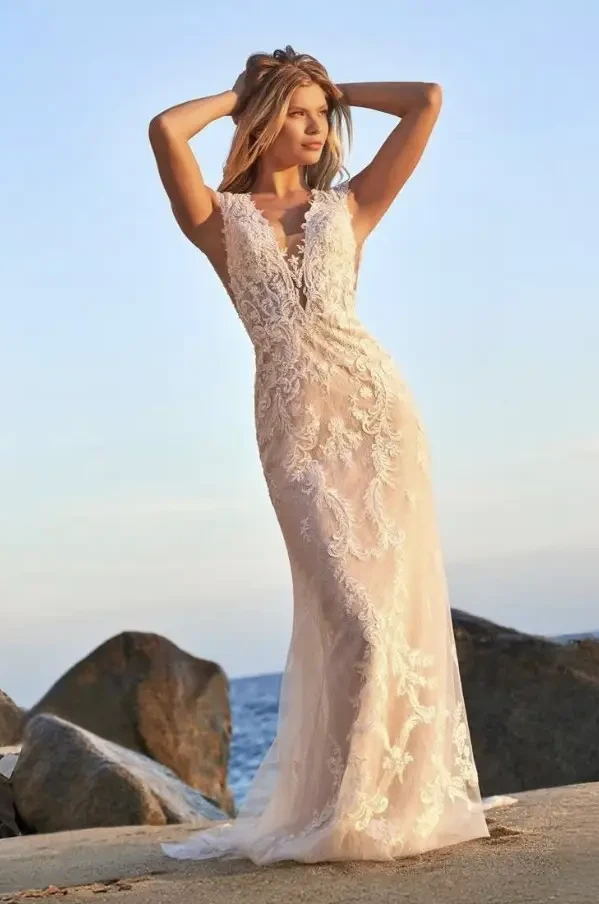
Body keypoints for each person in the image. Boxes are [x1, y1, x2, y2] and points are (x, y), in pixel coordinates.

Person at [146, 46, 489, 865]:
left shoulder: (350, 207)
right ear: (260, 122)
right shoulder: (217, 222)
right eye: (294, 115)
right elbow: (164, 129)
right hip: (295, 431)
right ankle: (345, 801)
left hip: (377, 416)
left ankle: (378, 801)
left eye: (317, 116)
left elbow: (426, 101)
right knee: (349, 615)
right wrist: (246, 94)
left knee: (391, 608)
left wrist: (334, 89)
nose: (314, 128)